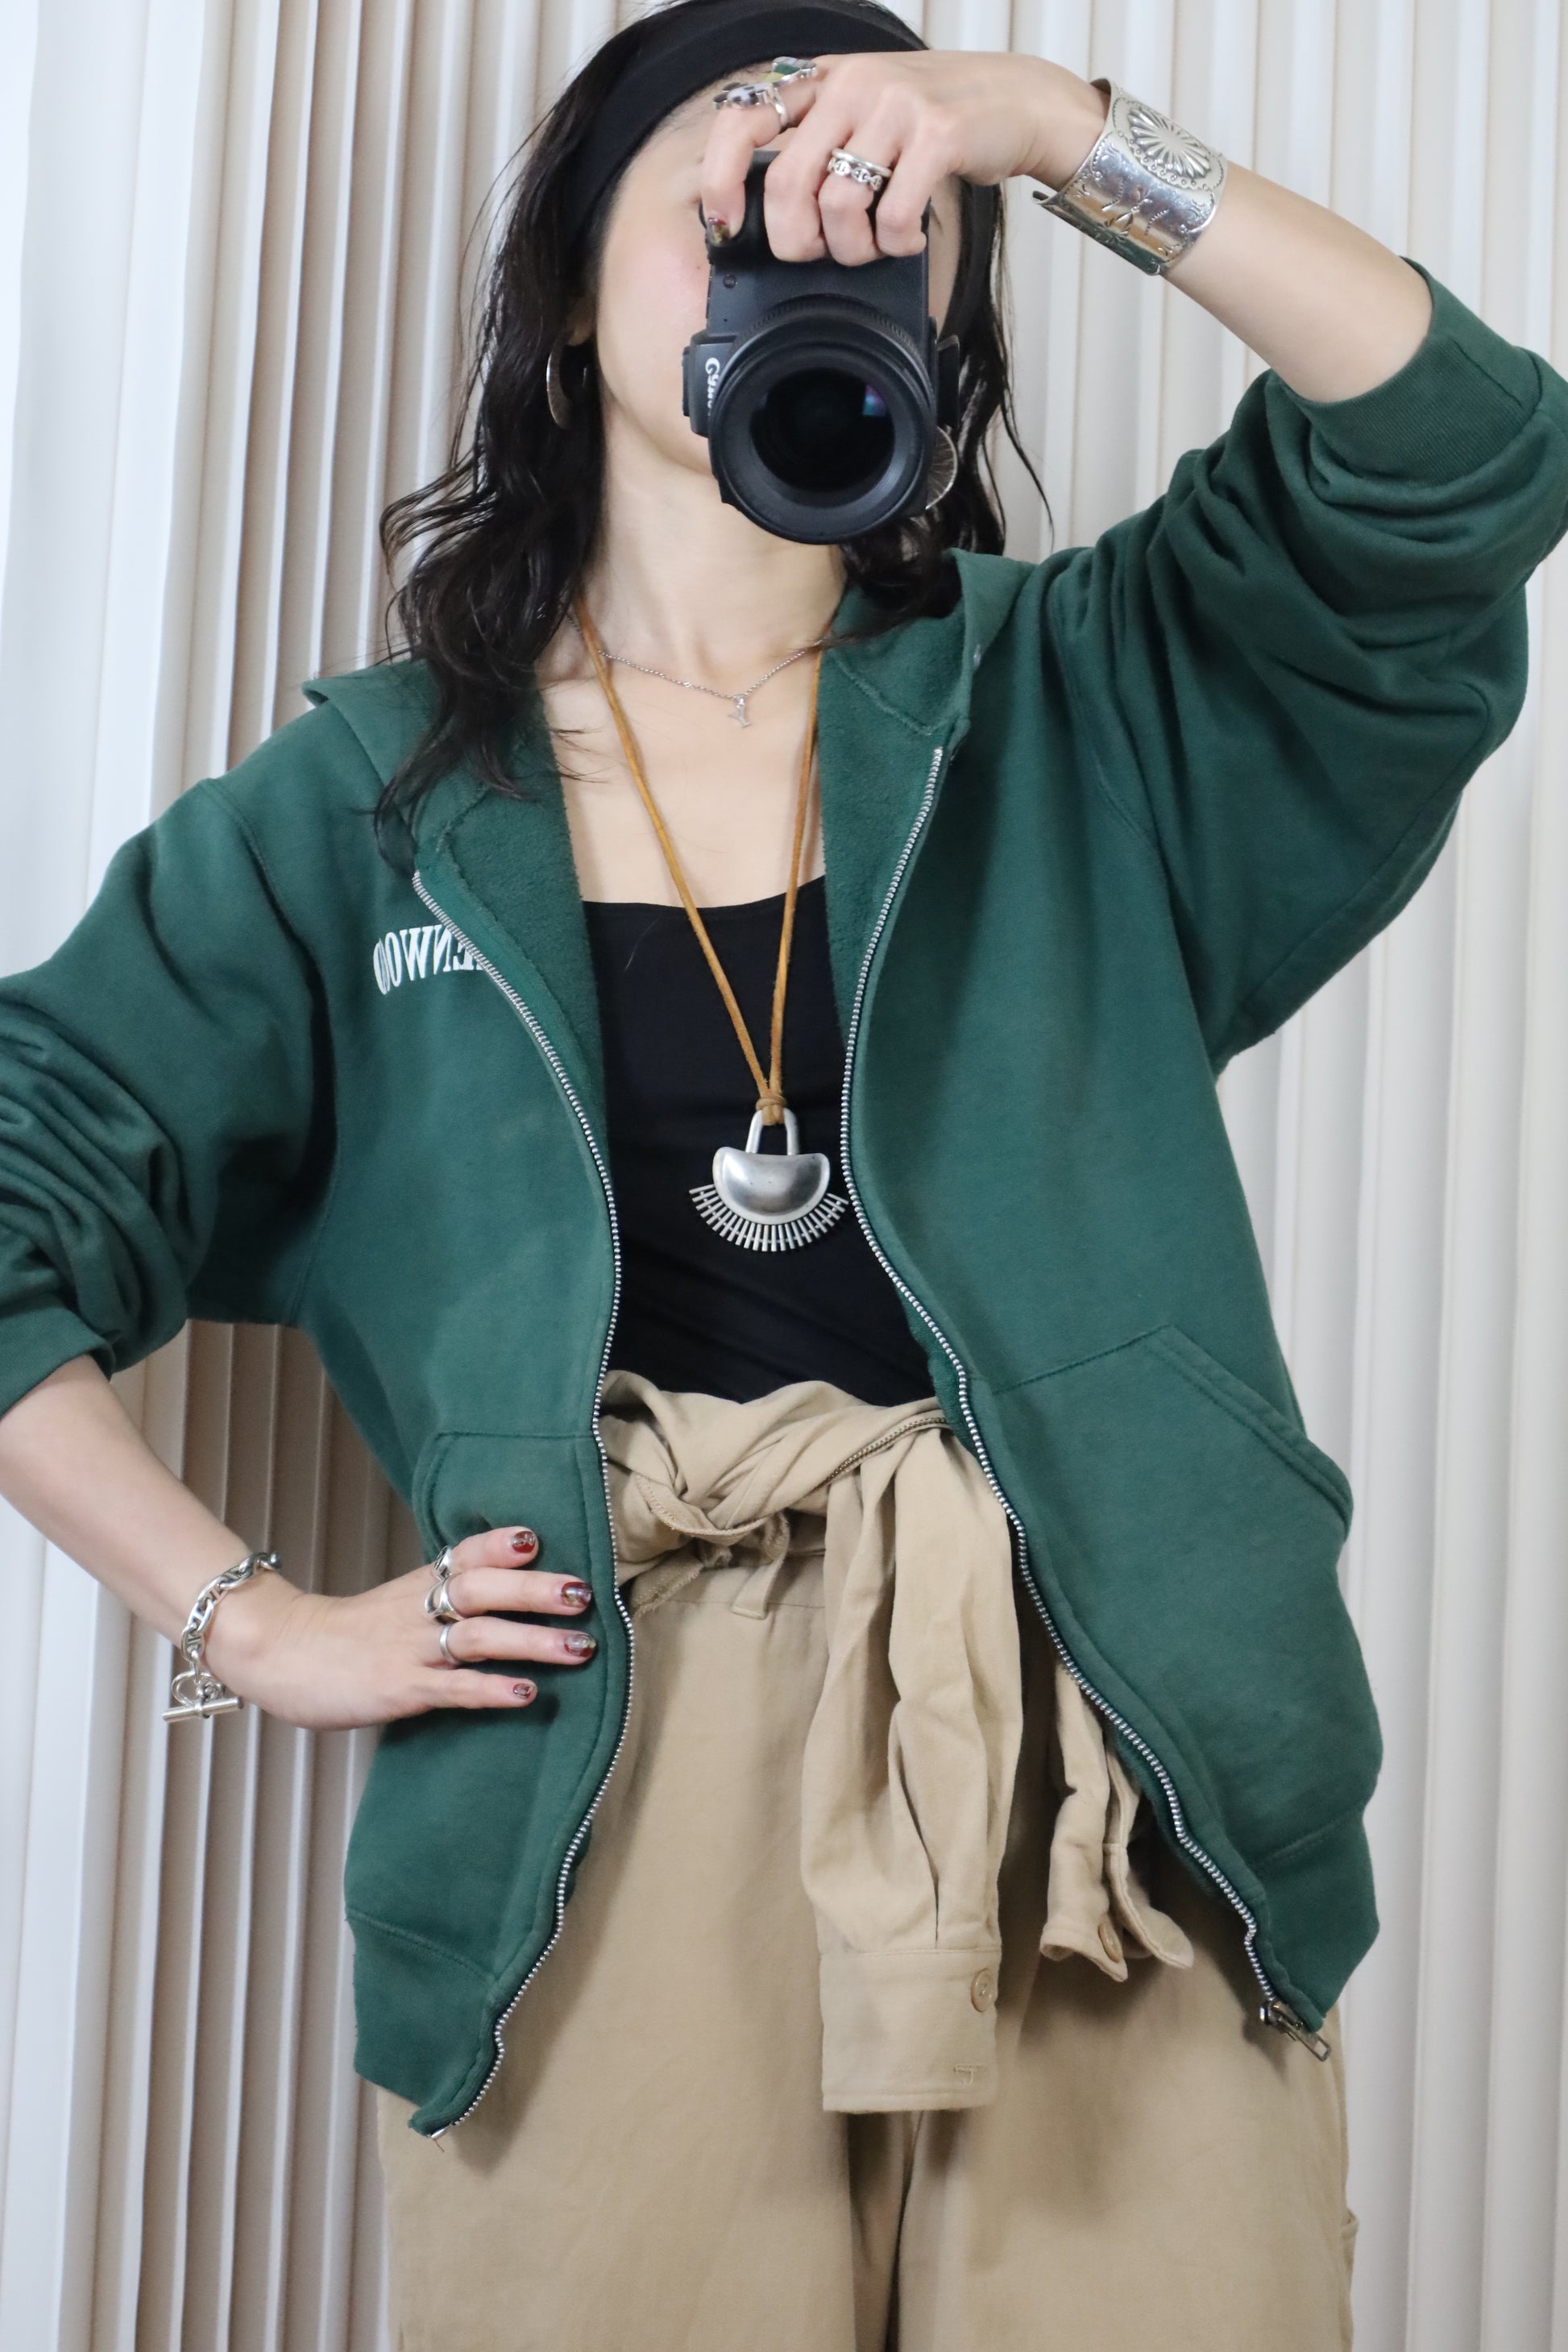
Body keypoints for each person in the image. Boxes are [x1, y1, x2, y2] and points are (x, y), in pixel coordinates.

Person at [2, 0, 1566, 2342]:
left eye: (875, 215)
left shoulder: (1085, 698)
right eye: (728, 197)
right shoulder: (359, 816)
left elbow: (1463, 452)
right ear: (565, 296)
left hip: (1097, 1749)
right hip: (594, 1778)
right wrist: (250, 1622)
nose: (804, 242)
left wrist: (1052, 131)